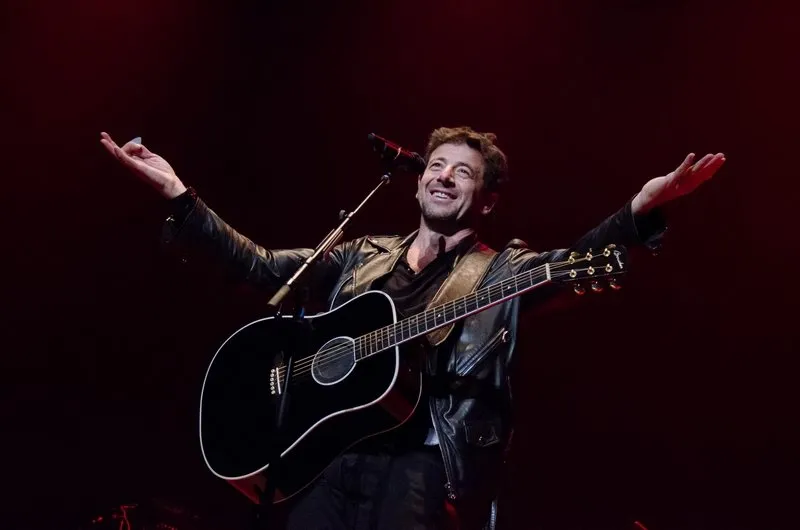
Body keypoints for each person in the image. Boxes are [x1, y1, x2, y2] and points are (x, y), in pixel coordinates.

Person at [99, 127, 725, 530]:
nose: (443, 174)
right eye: (436, 164)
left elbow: (570, 265)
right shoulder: (359, 252)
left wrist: (638, 212)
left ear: (486, 200)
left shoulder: (498, 271)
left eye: (463, 171)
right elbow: (260, 268)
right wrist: (182, 197)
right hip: (324, 460)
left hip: (422, 468)